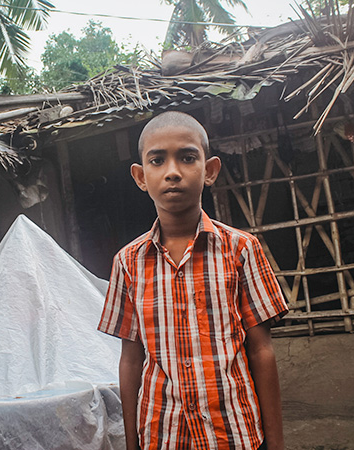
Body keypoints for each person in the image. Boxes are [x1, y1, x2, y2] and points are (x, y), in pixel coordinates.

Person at [97, 111, 288, 450]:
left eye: (187, 158)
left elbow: (261, 350)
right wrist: (131, 442)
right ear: (141, 177)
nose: (172, 172)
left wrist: (275, 444)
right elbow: (130, 359)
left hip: (234, 432)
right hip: (162, 433)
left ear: (209, 170)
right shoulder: (128, 262)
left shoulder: (241, 249)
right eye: (157, 161)